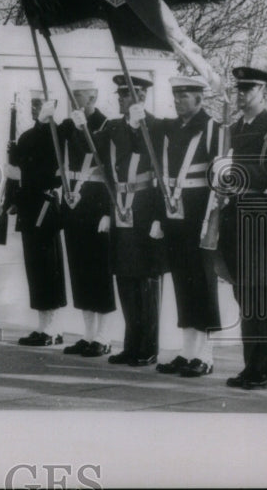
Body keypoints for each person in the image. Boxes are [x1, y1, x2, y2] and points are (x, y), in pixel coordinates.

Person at [75, 75, 165, 367]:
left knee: (146, 282)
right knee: (126, 279)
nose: (123, 99)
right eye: (121, 95)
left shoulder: (157, 126)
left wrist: (158, 218)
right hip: (119, 208)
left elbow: (159, 170)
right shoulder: (113, 127)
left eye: (129, 95)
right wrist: (81, 124)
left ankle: (148, 347)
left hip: (144, 208)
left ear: (142, 97)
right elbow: (94, 154)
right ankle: (131, 344)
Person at [217, 67, 267, 390]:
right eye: (239, 89)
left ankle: (266, 369)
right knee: (245, 293)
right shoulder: (232, 129)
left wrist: (232, 172)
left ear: (263, 91)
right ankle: (251, 366)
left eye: (248, 89)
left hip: (262, 214)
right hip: (236, 214)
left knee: (262, 294)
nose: (242, 94)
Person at [153, 76, 223, 377]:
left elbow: (220, 178)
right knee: (183, 282)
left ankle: (205, 355)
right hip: (175, 215)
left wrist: (211, 221)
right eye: (176, 96)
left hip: (200, 215)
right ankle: (187, 351)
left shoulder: (212, 128)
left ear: (199, 98)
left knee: (203, 283)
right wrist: (159, 216)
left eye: (185, 96)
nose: (179, 101)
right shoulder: (172, 128)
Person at [57, 79, 116, 358]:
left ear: (92, 97)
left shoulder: (105, 125)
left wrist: (108, 211)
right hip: (73, 204)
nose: (73, 102)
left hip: (95, 204)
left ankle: (103, 337)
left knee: (99, 272)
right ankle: (88, 335)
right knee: (80, 271)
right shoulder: (69, 125)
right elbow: (51, 143)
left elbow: (111, 172)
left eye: (77, 96)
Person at [12, 91, 67, 347]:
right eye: (33, 104)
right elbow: (18, 172)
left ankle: (52, 327)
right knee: (35, 268)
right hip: (28, 206)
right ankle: (43, 325)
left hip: (46, 205)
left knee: (49, 268)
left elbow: (54, 156)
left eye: (41, 104)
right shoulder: (26, 136)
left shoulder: (57, 134)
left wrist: (48, 125)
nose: (35, 108)